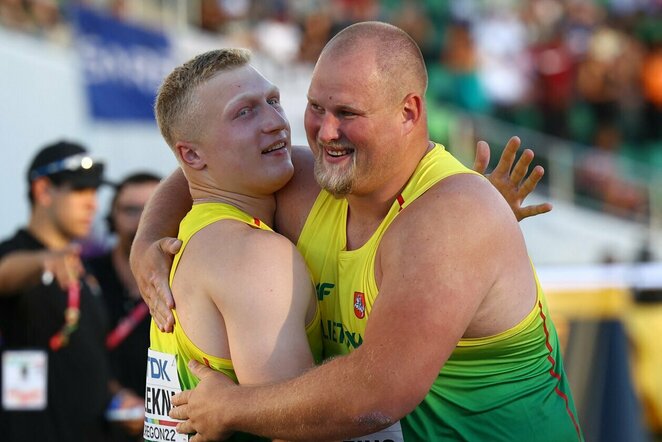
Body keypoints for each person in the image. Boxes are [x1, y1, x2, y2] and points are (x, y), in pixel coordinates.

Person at [131, 22, 578, 442]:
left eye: (347, 112)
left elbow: (377, 395)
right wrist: (146, 239)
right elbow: (209, 167)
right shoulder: (309, 181)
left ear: (408, 112)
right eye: (315, 107)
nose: (325, 132)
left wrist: (231, 407)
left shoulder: (451, 218)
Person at [143, 48, 323, 441]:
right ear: (190, 154)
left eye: (273, 101)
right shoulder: (252, 255)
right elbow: (299, 432)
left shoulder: (192, 234)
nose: (276, 123)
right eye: (244, 112)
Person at [0, 140, 112, 442]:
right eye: (80, 190)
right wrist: (42, 261)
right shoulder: (15, 254)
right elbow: (5, 274)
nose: (93, 204)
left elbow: (86, 357)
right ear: (43, 191)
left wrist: (118, 397)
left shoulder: (83, 267)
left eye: (95, 191)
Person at [87, 172, 162, 441]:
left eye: (153, 207)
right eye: (131, 210)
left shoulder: (185, 279)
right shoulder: (85, 276)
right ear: (112, 217)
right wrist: (112, 395)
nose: (142, 220)